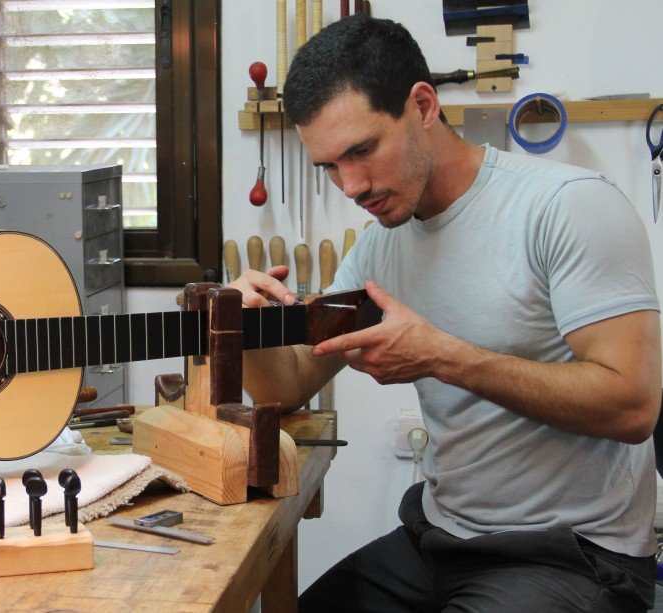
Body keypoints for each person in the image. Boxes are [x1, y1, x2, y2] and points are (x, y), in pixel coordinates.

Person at [233, 15, 662, 612]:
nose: (350, 186)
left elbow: (634, 407)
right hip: (439, 540)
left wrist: (442, 357)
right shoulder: (380, 245)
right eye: (328, 166)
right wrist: (245, 326)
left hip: (571, 554)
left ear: (423, 105)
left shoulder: (569, 208)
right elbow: (292, 383)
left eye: (362, 150)